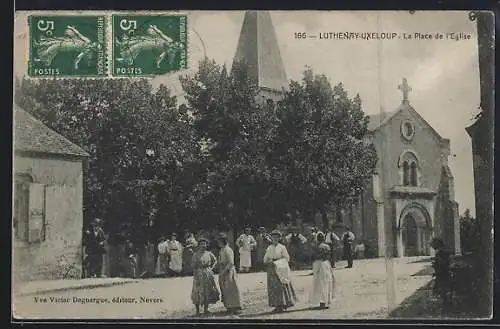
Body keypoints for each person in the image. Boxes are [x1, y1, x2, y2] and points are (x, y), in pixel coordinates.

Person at [263, 229, 298, 313]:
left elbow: (287, 258)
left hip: (280, 268)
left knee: (281, 286)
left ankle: (284, 304)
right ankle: (277, 305)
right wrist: (269, 261)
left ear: (279, 238)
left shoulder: (282, 247)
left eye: (276, 237)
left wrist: (279, 262)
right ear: (271, 238)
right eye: (273, 237)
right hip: (272, 269)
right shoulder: (269, 248)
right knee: (274, 288)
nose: (274, 239)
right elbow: (265, 259)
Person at [191, 236, 220, 315]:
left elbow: (216, 260)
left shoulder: (209, 253)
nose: (203, 245)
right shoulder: (196, 254)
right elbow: (193, 266)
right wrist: (196, 275)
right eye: (201, 244)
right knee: (198, 291)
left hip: (207, 272)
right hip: (199, 273)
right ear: (199, 245)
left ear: (206, 245)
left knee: (207, 290)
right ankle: (197, 311)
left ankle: (205, 309)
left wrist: (211, 268)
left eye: (204, 244)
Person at [216, 233, 242, 314]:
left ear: (223, 241)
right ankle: (229, 307)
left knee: (231, 288)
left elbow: (231, 262)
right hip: (223, 270)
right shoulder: (222, 250)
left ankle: (235, 307)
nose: (218, 243)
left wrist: (224, 271)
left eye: (219, 241)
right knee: (225, 289)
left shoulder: (228, 249)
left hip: (229, 271)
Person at [310, 232, 335, 309]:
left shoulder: (314, 247)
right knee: (326, 281)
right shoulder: (327, 247)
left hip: (317, 264)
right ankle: (325, 301)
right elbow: (329, 256)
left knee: (318, 283)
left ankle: (322, 301)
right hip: (324, 263)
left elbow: (312, 256)